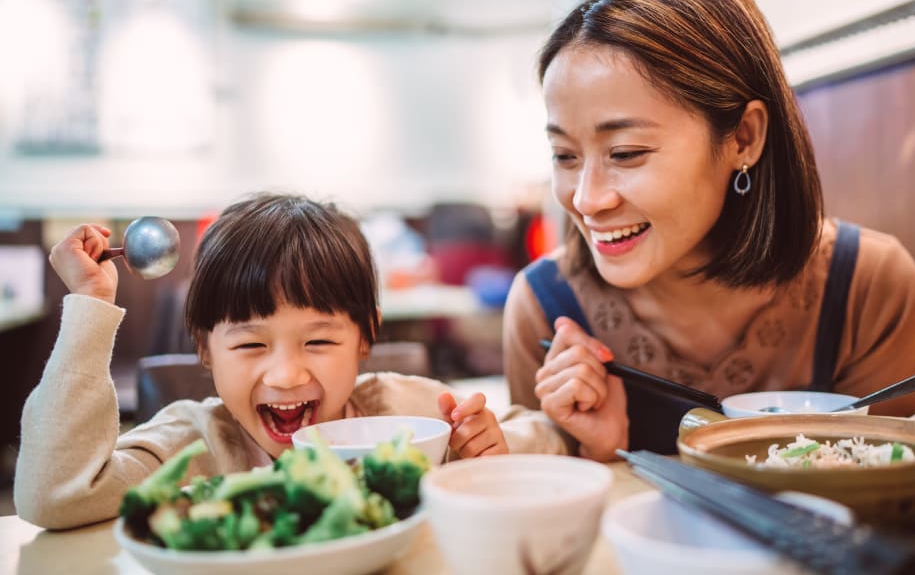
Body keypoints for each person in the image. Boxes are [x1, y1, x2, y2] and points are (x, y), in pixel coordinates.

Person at [502, 0, 915, 462]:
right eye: (564, 155)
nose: (586, 199)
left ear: (743, 138)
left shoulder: (866, 284)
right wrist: (596, 454)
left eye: (625, 153)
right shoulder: (545, 307)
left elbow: (897, 492)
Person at [16, 193, 568, 529]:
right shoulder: (194, 447)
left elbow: (544, 437)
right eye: (251, 345)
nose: (285, 375)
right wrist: (89, 305)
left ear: (364, 339)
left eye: (319, 342)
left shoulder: (413, 416)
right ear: (205, 348)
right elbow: (54, 496)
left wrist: (491, 450)